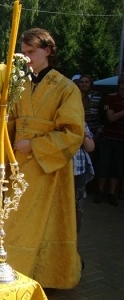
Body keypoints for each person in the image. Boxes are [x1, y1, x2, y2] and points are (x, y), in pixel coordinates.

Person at [0, 28, 84, 290]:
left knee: (47, 224)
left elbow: (73, 133)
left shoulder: (67, 88)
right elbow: (4, 127)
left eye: (31, 52)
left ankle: (48, 276)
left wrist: (33, 145)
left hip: (50, 169)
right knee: (14, 221)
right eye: (23, 53)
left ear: (47, 50)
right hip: (19, 167)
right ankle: (11, 271)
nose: (27, 58)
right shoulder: (18, 86)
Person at [93, 74, 124, 206]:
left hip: (122, 139)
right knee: (103, 165)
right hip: (108, 137)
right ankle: (100, 192)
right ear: (121, 84)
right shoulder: (111, 97)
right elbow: (111, 117)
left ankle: (111, 194)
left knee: (117, 168)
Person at [73, 123, 94, 233]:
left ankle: (73, 241)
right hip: (58, 173)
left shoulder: (81, 121)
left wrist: (83, 134)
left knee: (77, 209)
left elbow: (90, 147)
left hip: (78, 172)